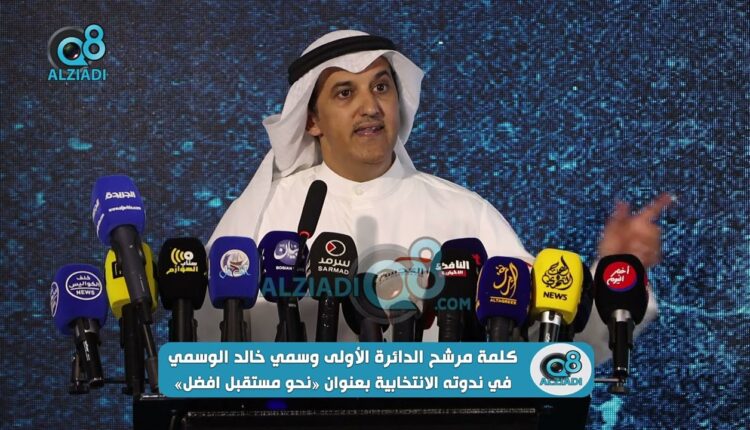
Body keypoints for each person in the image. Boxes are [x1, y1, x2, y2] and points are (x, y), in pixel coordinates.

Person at [196, 30, 671, 364]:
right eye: (345, 93)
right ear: (312, 120)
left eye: (381, 87)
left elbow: (539, 339)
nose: (370, 106)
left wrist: (614, 271)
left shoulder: (463, 213)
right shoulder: (266, 215)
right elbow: (209, 345)